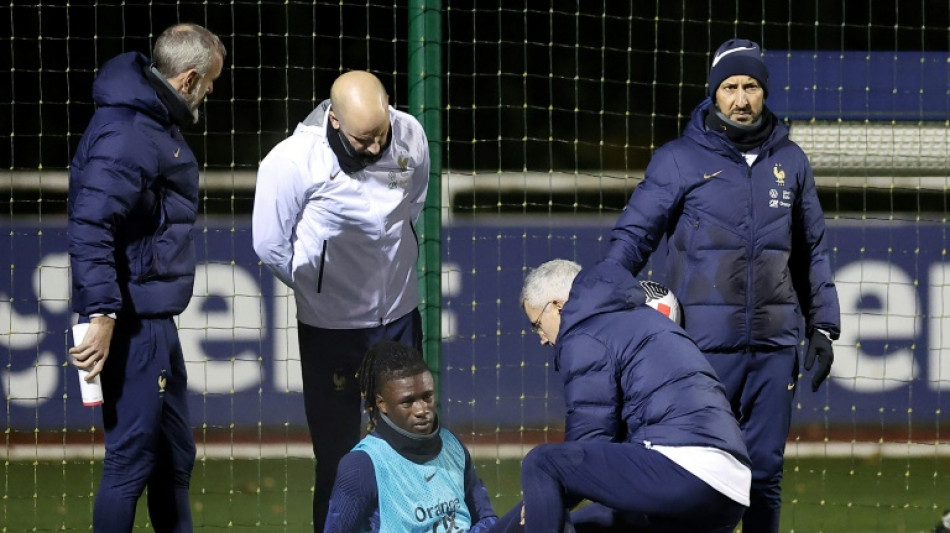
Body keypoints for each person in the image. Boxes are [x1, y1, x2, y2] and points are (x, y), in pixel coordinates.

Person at [604, 38, 841, 532]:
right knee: (695, 472)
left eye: (751, 86)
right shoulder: (677, 160)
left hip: (774, 349)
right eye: (730, 86)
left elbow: (811, 251)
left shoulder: (792, 162)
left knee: (765, 475)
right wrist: (600, 300)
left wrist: (824, 327)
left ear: (764, 91)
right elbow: (632, 237)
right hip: (700, 350)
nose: (741, 98)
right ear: (714, 93)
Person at [252, 70, 430, 531]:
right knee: (338, 459)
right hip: (330, 330)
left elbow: (413, 206)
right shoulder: (291, 161)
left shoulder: (410, 133)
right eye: (362, 139)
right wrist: (321, 288)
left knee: (411, 446)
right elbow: (270, 245)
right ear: (333, 120)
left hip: (399, 317)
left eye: (380, 134)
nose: (374, 147)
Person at [67, 23, 225, 532]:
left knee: (175, 458)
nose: (212, 92)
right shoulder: (131, 132)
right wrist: (103, 313)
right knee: (130, 460)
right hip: (134, 323)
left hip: (155, 320)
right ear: (189, 79)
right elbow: (91, 224)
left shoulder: (149, 122)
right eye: (211, 82)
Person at [518, 259, 752, 533]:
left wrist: (547, 497)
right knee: (592, 522)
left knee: (543, 463)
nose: (542, 338)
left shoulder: (584, 332)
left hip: (684, 469)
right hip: (730, 487)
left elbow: (589, 437)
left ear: (557, 305)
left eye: (537, 324)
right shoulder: (642, 318)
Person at [324, 340, 498, 533]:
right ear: (382, 404)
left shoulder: (452, 445)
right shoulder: (361, 465)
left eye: (427, 397)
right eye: (408, 402)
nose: (422, 410)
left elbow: (486, 518)